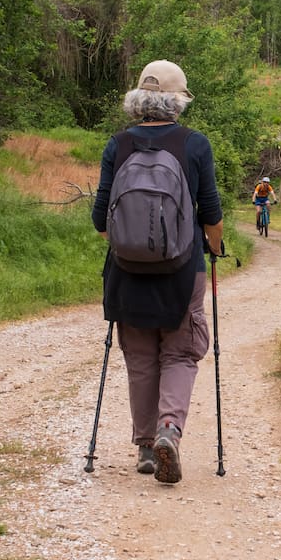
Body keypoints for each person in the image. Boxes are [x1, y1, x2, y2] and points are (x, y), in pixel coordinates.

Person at [91, 60, 223, 484]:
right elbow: (212, 216)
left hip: (126, 272)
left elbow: (99, 220)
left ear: (140, 101)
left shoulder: (118, 144)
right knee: (181, 351)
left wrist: (131, 243)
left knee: (141, 357)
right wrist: (214, 252)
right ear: (177, 102)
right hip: (183, 270)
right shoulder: (195, 144)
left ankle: (146, 448)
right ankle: (170, 430)